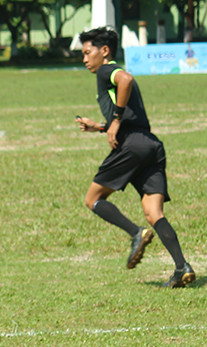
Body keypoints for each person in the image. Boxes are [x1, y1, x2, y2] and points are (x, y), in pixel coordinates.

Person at [75, 27, 195, 288]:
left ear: (104, 51)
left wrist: (115, 120)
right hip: (150, 144)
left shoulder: (107, 70)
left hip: (131, 146)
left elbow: (126, 79)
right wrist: (101, 126)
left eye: (87, 52)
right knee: (154, 212)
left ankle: (135, 233)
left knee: (92, 199)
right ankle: (181, 267)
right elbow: (132, 119)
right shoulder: (107, 73)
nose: (84, 59)